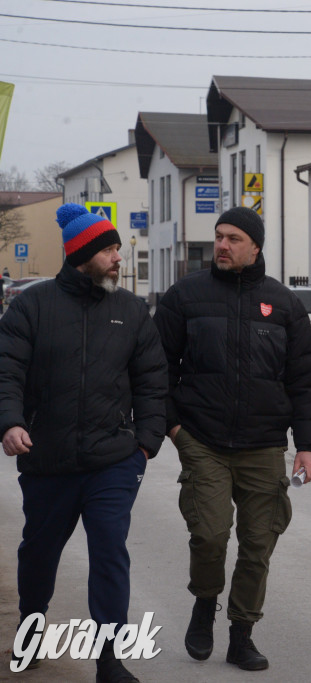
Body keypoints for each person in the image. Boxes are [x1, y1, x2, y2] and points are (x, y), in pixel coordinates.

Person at [153, 207, 311, 672]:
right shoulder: (185, 297)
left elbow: (305, 381)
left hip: (264, 444)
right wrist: (174, 430)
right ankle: (204, 604)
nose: (222, 246)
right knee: (209, 535)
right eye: (218, 237)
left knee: (258, 544)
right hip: (202, 441)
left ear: (255, 247)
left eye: (233, 238)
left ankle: (242, 634)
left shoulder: (284, 304)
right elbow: (155, 371)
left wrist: (307, 445)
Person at [0, 203, 166, 682]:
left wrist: (146, 444)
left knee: (110, 550)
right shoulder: (32, 305)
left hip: (112, 459)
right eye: (110, 250)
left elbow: (153, 380)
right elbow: (6, 370)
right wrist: (10, 422)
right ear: (84, 254)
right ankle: (30, 630)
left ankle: (110, 661)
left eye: (117, 248)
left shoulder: (131, 311)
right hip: (46, 459)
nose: (118, 258)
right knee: (39, 553)